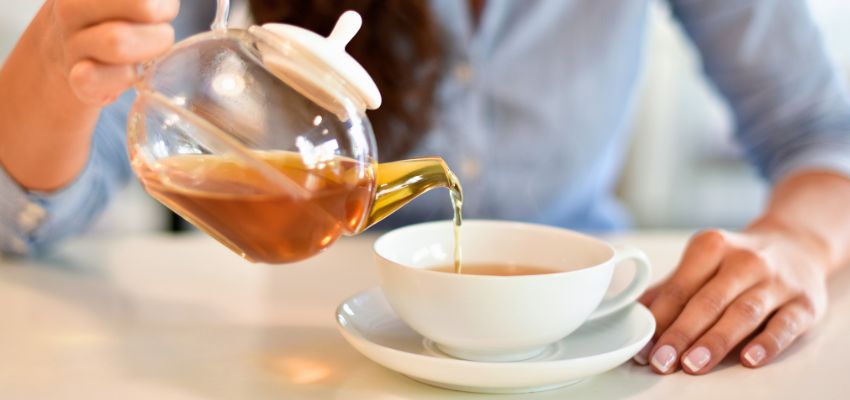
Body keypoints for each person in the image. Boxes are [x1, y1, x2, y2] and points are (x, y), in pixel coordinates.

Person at [1, 0, 849, 376]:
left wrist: (800, 241)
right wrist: (54, 58)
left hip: (579, 356)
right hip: (299, 355)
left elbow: (819, 129)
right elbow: (26, 217)